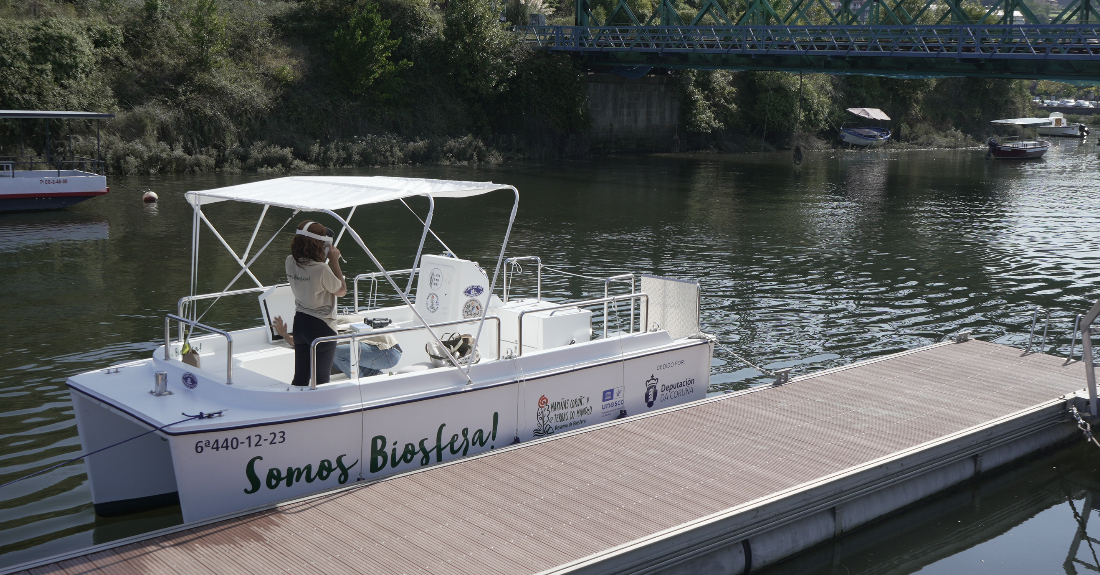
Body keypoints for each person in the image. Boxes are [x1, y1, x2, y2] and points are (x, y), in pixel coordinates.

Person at [285, 221, 346, 386]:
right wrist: (334, 261)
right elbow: (341, 291)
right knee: (321, 381)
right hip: (322, 326)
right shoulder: (321, 269)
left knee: (300, 379)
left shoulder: (290, 261)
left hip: (300, 323)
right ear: (319, 244)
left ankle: (297, 408)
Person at [273, 316, 402, 378]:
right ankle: (382, 377)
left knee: (335, 353)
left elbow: (300, 343)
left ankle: (360, 385)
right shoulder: (328, 321)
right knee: (329, 361)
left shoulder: (326, 326)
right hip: (384, 352)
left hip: (388, 352)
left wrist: (283, 333)